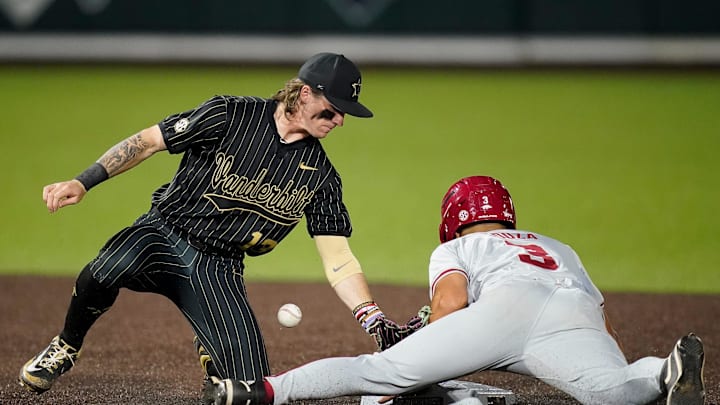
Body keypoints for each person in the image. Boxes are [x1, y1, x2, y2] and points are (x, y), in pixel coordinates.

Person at [19, 52, 422, 396]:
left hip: (219, 267)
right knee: (106, 268)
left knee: (250, 386)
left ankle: (209, 338)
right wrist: (84, 181)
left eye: (344, 114)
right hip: (162, 233)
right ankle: (65, 346)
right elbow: (149, 140)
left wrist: (372, 317)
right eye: (332, 109)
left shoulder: (320, 176)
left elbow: (337, 256)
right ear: (304, 94)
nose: (338, 121)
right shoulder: (230, 114)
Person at [202, 175, 707, 405]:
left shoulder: (456, 250)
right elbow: (604, 320)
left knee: (378, 375)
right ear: (505, 213)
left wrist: (420, 361)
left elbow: (451, 306)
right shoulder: (557, 245)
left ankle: (259, 390)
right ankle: (663, 371)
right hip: (574, 312)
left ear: (453, 219)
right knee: (609, 391)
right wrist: (608, 358)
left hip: (506, 306)